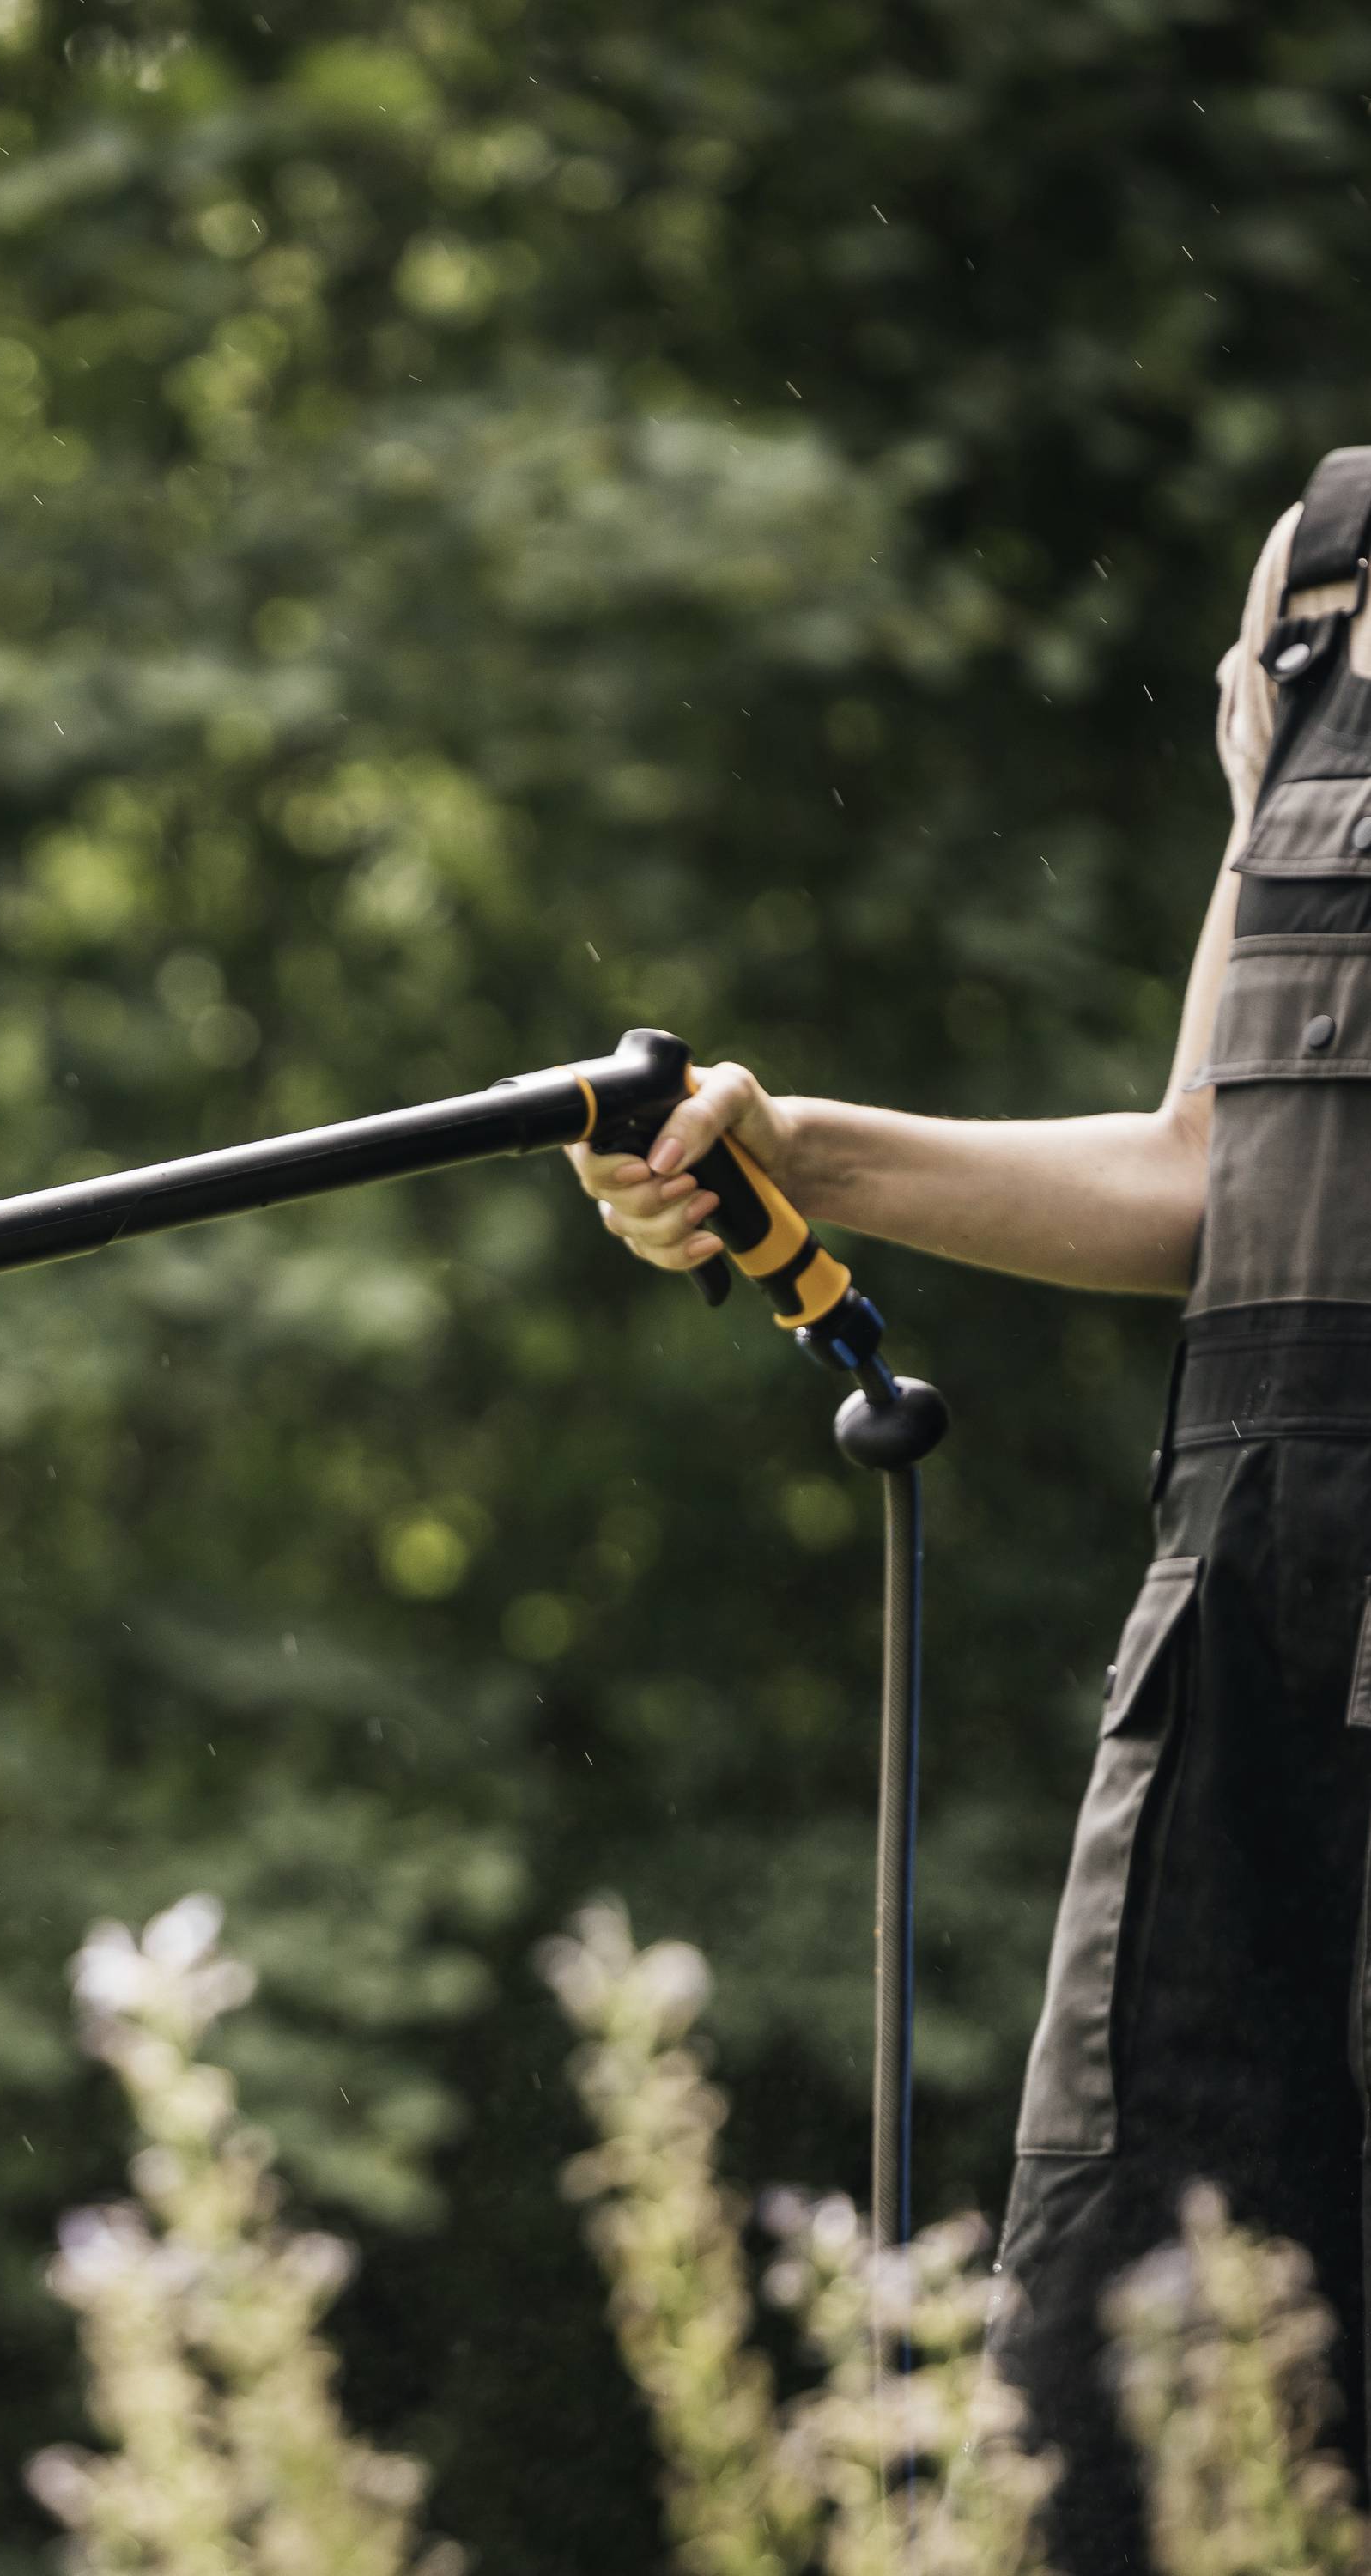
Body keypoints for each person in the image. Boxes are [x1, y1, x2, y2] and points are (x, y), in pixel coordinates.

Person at [568, 449, 1371, 2574]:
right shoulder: (1325, 581)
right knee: (1138, 2432)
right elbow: (1222, 1170)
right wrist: (795, 1149)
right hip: (1262, 1684)